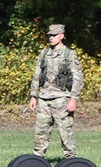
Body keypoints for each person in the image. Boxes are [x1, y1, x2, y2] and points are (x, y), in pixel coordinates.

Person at [28, 24, 84, 158]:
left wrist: (73, 98)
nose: (51, 38)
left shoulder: (69, 54)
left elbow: (78, 78)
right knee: (41, 132)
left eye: (54, 35)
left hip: (62, 99)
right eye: (49, 35)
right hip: (44, 98)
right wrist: (33, 95)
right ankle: (37, 160)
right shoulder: (44, 53)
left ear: (61, 36)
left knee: (65, 132)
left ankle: (70, 161)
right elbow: (37, 75)